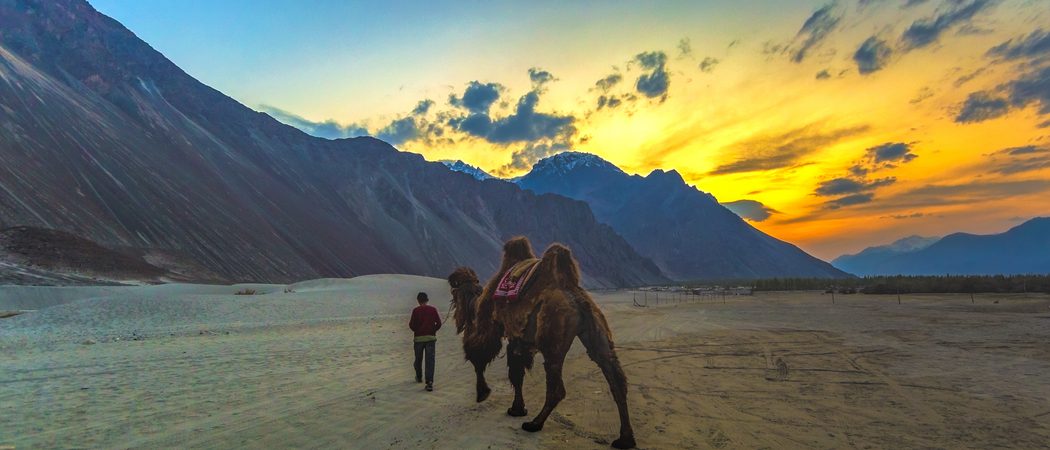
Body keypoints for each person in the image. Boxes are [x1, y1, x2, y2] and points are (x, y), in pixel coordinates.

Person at [408, 291, 441, 391]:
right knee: (430, 361)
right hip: (430, 339)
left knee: (418, 359)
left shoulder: (416, 311)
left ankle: (418, 377)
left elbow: (411, 325)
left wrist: (417, 331)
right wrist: (433, 330)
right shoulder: (433, 309)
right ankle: (429, 382)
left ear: (418, 300)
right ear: (427, 300)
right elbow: (439, 323)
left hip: (418, 339)